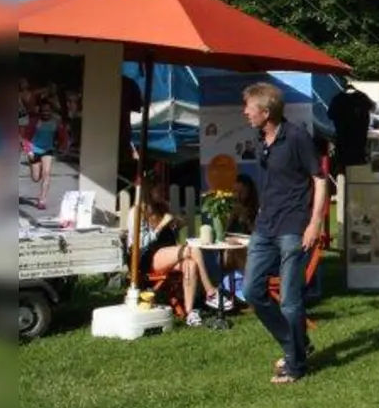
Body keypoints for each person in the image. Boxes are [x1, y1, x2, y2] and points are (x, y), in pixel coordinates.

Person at [242, 83, 328, 384]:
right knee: (252, 290)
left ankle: (295, 366)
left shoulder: (297, 137)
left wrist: (315, 222)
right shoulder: (261, 138)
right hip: (265, 227)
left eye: (249, 108)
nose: (245, 113)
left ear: (266, 112)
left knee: (290, 299)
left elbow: (320, 179)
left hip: (293, 227)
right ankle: (297, 345)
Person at [136, 189, 236, 327]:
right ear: (148, 192)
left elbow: (177, 230)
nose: (162, 192)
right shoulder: (137, 213)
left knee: (191, 264)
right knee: (192, 250)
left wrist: (178, 223)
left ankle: (189, 312)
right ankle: (210, 291)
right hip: (148, 257)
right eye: (158, 189)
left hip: (167, 254)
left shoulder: (163, 207)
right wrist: (160, 226)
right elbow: (141, 243)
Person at [22, 100, 69, 210]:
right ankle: (34, 167)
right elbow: (26, 137)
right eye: (43, 111)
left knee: (46, 173)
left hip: (48, 150)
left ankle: (42, 199)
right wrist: (28, 151)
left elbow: (64, 136)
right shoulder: (35, 122)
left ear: (51, 111)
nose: (45, 113)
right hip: (34, 150)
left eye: (48, 111)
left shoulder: (56, 122)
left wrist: (64, 146)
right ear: (40, 112)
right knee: (35, 178)